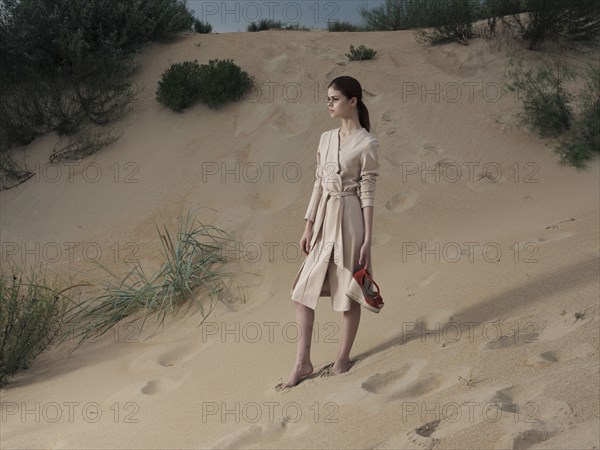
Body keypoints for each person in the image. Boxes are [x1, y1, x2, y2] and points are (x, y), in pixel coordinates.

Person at [283, 76, 380, 389]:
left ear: (353, 101)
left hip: (350, 218)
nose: (329, 104)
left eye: (335, 98)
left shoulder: (367, 143)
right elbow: (318, 183)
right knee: (301, 292)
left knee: (348, 292)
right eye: (328, 98)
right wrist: (308, 224)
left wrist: (367, 239)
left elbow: (368, 192)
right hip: (324, 218)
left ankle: (343, 357)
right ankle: (303, 362)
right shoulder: (325, 138)